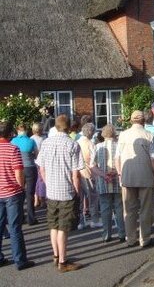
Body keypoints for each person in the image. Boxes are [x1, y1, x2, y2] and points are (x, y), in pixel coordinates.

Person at [37, 114, 84, 273]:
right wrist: (78, 192)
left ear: (55, 126)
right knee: (63, 228)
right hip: (66, 191)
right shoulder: (72, 145)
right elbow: (75, 174)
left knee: (54, 225)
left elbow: (41, 168)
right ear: (69, 127)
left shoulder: (46, 143)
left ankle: (56, 256)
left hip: (52, 191)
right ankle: (63, 262)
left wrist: (48, 182)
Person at [115, 110, 154, 248]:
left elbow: (117, 157)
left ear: (131, 120)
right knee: (146, 208)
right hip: (145, 174)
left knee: (129, 209)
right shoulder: (150, 135)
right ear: (143, 121)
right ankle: (144, 239)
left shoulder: (123, 135)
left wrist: (120, 173)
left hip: (127, 175)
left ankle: (130, 238)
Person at [0, 121, 35, 271]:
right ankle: (20, 260)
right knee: (15, 228)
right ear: (10, 134)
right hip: (12, 192)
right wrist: (21, 188)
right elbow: (18, 173)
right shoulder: (13, 149)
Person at [90, 124, 126, 242]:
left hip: (103, 182)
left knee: (105, 209)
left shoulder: (97, 146)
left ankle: (106, 235)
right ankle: (122, 234)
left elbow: (92, 166)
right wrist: (114, 173)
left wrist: (104, 175)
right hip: (117, 180)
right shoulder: (119, 146)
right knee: (119, 208)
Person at [11, 124, 38, 225]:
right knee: (30, 193)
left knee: (19, 192)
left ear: (17, 130)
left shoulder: (13, 142)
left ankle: (20, 217)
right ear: (26, 130)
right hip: (30, 168)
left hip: (17, 169)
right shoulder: (31, 141)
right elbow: (36, 154)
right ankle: (31, 218)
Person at [77, 123, 101, 230]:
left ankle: (81, 222)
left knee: (80, 199)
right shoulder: (91, 144)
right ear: (91, 132)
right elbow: (93, 161)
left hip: (78, 172)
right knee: (93, 197)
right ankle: (94, 220)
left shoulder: (77, 142)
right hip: (88, 173)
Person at [31, 123, 46, 209]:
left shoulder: (31, 139)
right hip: (42, 162)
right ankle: (42, 200)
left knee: (35, 181)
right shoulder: (44, 138)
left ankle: (36, 200)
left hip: (34, 162)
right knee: (42, 181)